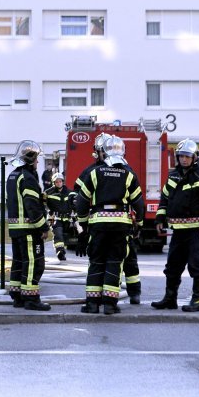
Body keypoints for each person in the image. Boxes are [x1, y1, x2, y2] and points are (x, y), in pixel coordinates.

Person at [74, 135, 144, 315]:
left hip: (98, 224)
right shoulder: (129, 174)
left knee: (96, 262)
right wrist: (140, 224)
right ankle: (110, 305)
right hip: (120, 225)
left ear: (103, 153)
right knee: (114, 262)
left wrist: (83, 225)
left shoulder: (94, 173)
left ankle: (91, 304)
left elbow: (81, 202)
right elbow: (138, 204)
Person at [151, 139, 199, 312]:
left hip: (197, 231)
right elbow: (165, 199)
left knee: (197, 266)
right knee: (172, 267)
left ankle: (198, 300)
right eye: (181, 156)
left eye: (187, 156)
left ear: (195, 157)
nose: (184, 159)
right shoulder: (173, 175)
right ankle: (170, 299)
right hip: (178, 231)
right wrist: (160, 219)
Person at [6, 140, 52, 311]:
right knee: (34, 262)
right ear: (31, 158)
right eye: (37, 159)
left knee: (19, 262)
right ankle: (31, 298)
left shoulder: (13, 176)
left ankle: (17, 295)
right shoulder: (28, 177)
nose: (38, 162)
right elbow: (32, 206)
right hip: (29, 229)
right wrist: (44, 228)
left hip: (16, 229)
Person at [44, 172, 74, 261]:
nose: (58, 183)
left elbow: (74, 204)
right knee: (58, 232)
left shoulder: (69, 192)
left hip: (67, 217)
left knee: (66, 235)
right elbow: (41, 204)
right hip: (53, 217)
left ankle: (61, 249)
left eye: (60, 181)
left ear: (63, 182)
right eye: (56, 182)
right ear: (54, 183)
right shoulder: (48, 192)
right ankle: (60, 252)